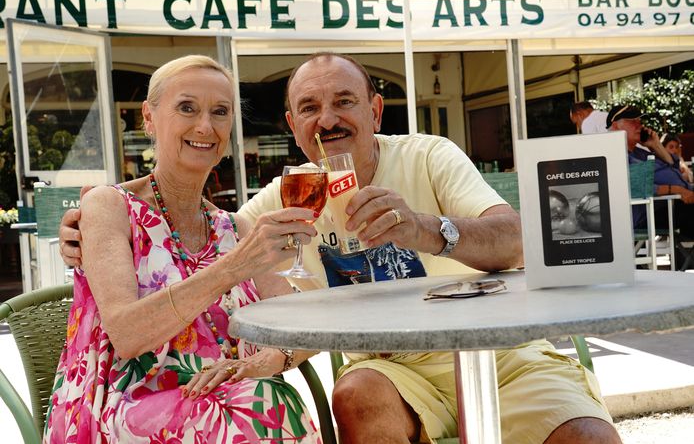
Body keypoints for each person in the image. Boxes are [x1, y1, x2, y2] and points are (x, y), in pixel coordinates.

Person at [60, 53, 621, 444]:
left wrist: (427, 229)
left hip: (502, 358)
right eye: (309, 108)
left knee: (588, 436)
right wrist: (91, 226)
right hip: (389, 371)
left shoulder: (428, 155)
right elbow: (219, 249)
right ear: (293, 125)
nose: (327, 120)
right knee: (352, 398)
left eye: (344, 102)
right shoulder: (293, 191)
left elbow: (519, 239)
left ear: (374, 111)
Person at [45, 55, 321, 443]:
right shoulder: (109, 206)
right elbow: (127, 334)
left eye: (220, 112)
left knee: (268, 397)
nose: (205, 126)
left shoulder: (235, 228)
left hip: (230, 403)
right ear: (149, 117)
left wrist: (266, 361)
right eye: (187, 108)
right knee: (265, 407)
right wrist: (232, 268)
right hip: (122, 406)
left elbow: (307, 327)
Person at [607, 105, 694, 265]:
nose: (639, 125)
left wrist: (656, 145)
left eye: (639, 121)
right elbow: (638, 186)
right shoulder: (617, 154)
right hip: (651, 211)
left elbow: (673, 169)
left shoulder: (641, 153)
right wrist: (677, 190)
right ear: (615, 126)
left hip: (673, 204)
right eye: (632, 121)